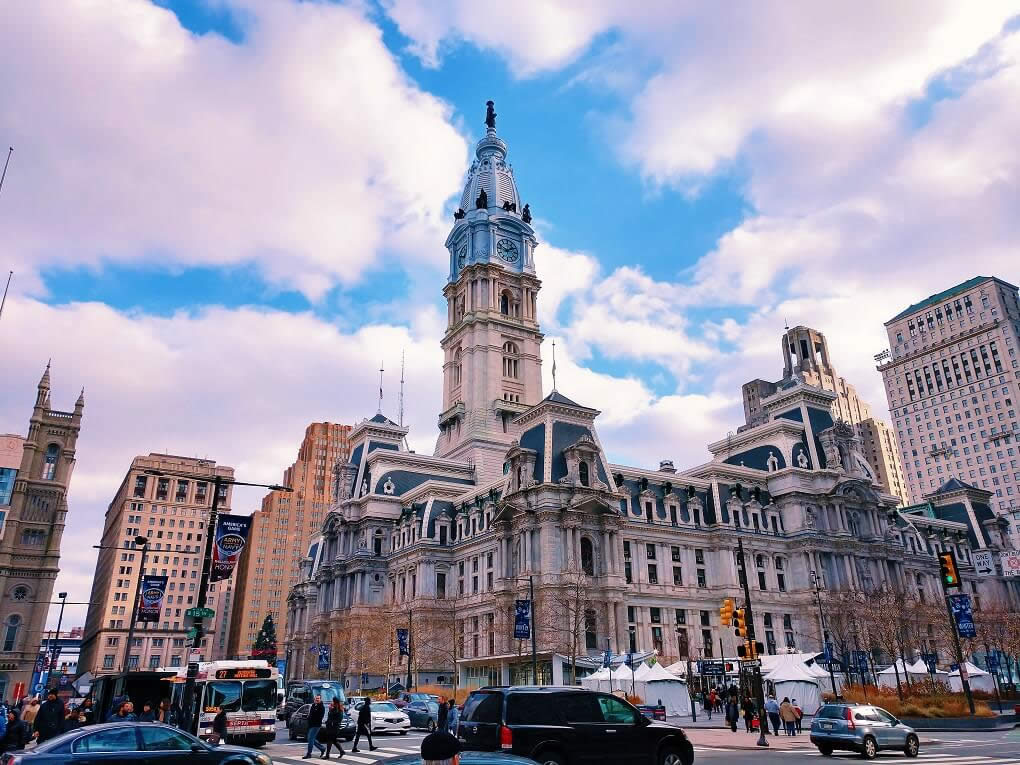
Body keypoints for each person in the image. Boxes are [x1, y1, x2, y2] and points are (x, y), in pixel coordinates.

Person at [303, 694, 327, 759]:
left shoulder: (321, 707)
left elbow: (319, 717)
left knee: (310, 739)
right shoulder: (313, 705)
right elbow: (311, 714)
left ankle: (309, 753)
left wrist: (312, 718)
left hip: (316, 725)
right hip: (311, 724)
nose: (316, 700)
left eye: (318, 698)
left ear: (320, 699)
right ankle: (322, 748)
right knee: (310, 739)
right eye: (316, 698)